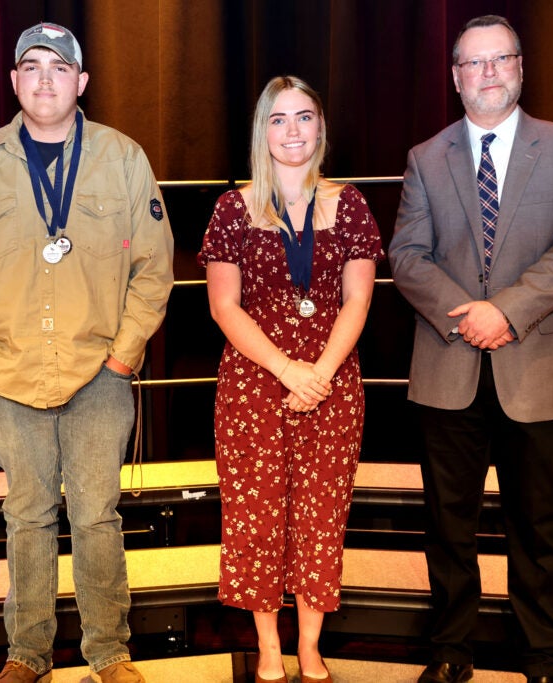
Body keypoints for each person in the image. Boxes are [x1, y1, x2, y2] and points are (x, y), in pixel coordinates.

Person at [0, 22, 174, 683]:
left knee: (97, 516)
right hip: (9, 374)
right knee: (27, 517)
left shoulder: (122, 159)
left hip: (99, 374)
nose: (45, 79)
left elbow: (154, 268)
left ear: (82, 81)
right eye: (33, 66)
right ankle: (27, 654)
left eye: (60, 67)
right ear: (14, 80)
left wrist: (123, 356)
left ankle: (110, 653)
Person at [388, 15, 553, 683]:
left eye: (500, 59)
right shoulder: (425, 158)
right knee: (448, 523)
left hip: (537, 364)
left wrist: (504, 311)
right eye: (474, 63)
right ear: (455, 77)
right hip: (448, 363)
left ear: (520, 67)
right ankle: (451, 650)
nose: (488, 72)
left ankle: (544, 656)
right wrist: (469, 318)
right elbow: (408, 255)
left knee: (537, 521)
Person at [198, 75, 383, 683]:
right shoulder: (232, 208)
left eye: (304, 116)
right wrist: (285, 369)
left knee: (321, 517)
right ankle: (269, 647)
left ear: (320, 127)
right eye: (278, 119)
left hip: (332, 385)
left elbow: (358, 299)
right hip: (254, 385)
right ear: (262, 131)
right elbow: (224, 306)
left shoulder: (351, 205)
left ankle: (308, 644)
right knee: (256, 517)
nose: (292, 130)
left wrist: (319, 374)